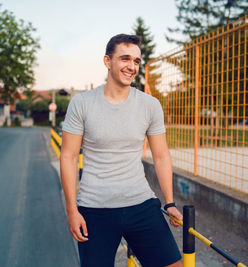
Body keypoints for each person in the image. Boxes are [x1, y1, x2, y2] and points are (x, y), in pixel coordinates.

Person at [60, 34, 183, 267]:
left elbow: (161, 155)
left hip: (141, 204)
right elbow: (68, 156)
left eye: (136, 61)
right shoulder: (82, 103)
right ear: (108, 61)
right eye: (125, 59)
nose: (132, 66)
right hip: (94, 210)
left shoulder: (150, 105)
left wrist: (169, 202)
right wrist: (72, 210)